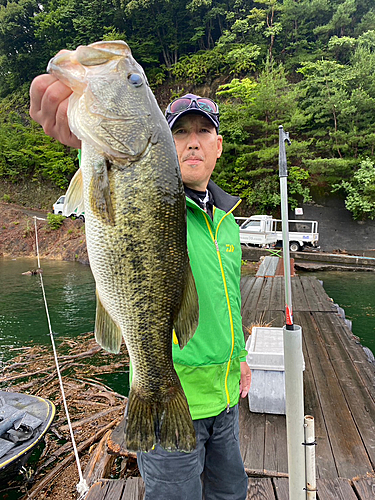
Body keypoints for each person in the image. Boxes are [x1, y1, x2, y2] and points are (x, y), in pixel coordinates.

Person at [29, 78, 251, 499]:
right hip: (168, 395)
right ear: (162, 146)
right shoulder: (148, 195)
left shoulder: (227, 221)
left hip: (225, 399)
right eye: (180, 132)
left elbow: (230, 302)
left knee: (230, 494)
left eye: (202, 132)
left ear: (218, 146)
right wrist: (84, 130)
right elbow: (109, 179)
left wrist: (239, 356)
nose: (192, 143)